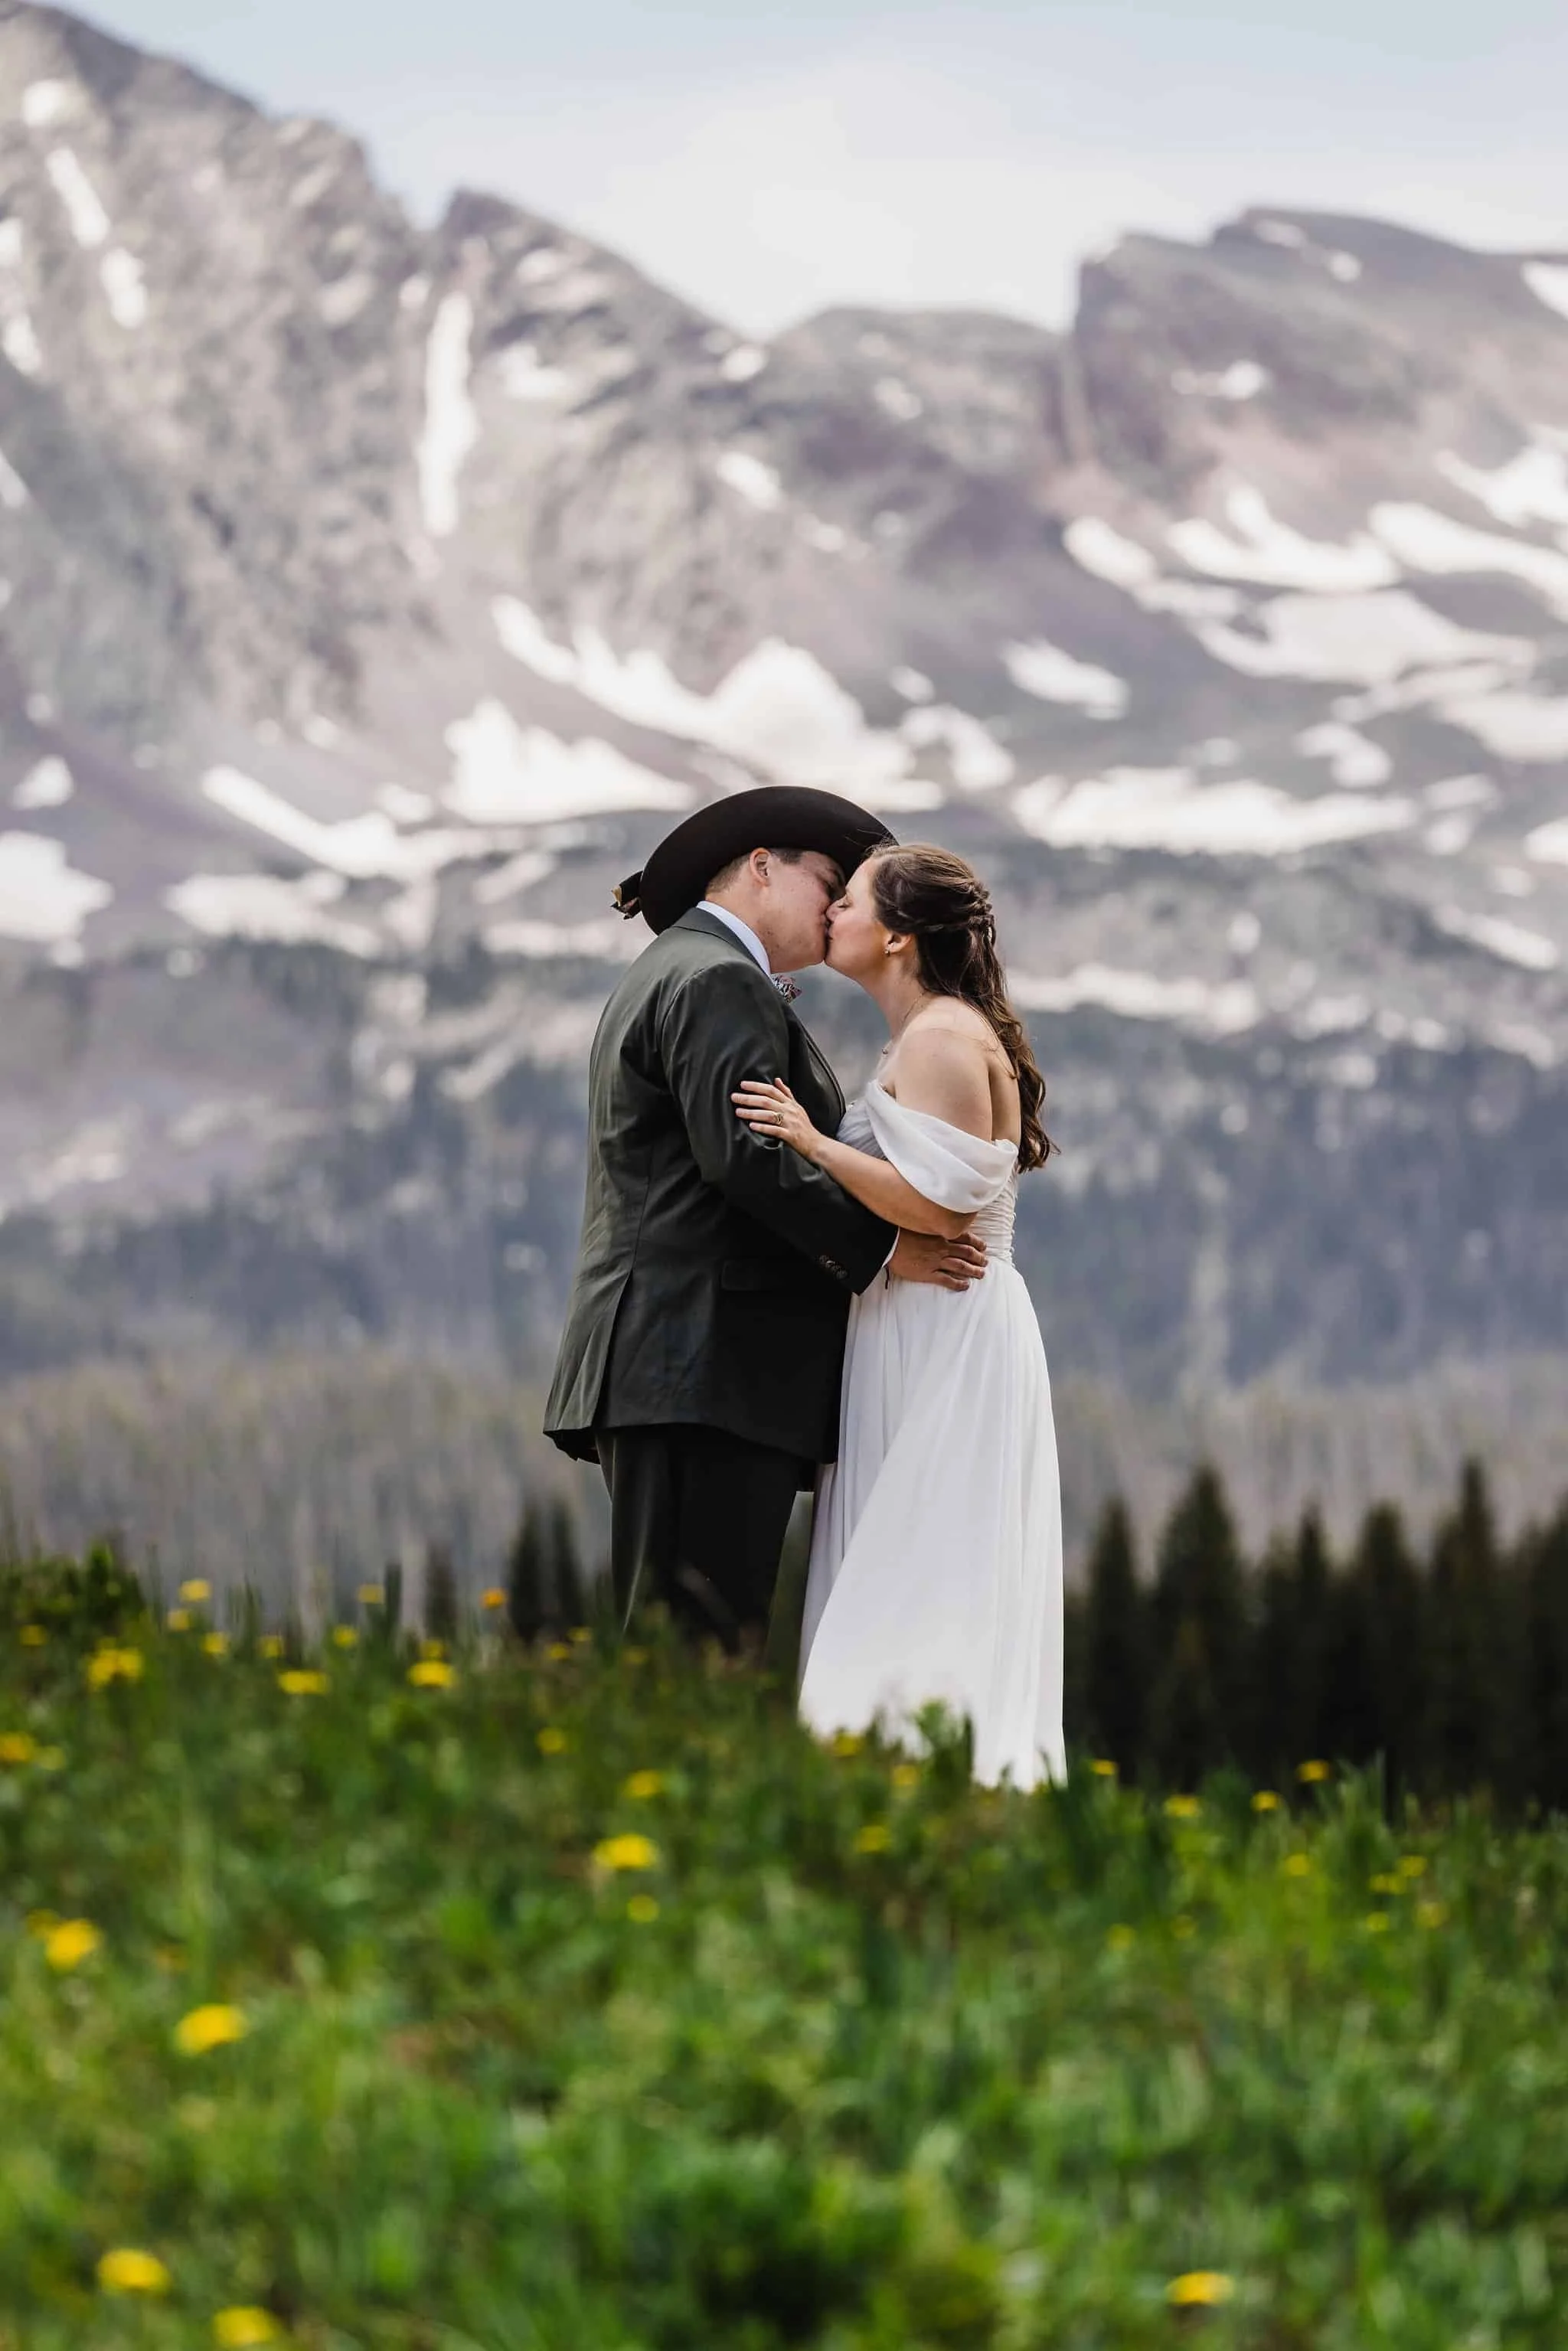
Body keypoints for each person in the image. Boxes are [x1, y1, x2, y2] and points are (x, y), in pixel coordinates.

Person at [544, 787, 988, 1653]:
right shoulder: (717, 979)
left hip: (680, 1367)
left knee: (688, 1643)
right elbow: (746, 1157)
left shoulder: (677, 967)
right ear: (760, 868)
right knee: (692, 1649)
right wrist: (889, 1249)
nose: (836, 905)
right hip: (701, 1369)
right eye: (830, 880)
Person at [733, 843, 1065, 1788]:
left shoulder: (943, 1038)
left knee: (922, 1558)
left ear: (895, 936)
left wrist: (806, 1141)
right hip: (911, 1321)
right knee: (905, 1550)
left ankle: (915, 1774)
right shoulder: (923, 1034)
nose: (829, 912)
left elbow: (943, 1207)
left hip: (945, 1330)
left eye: (849, 902)